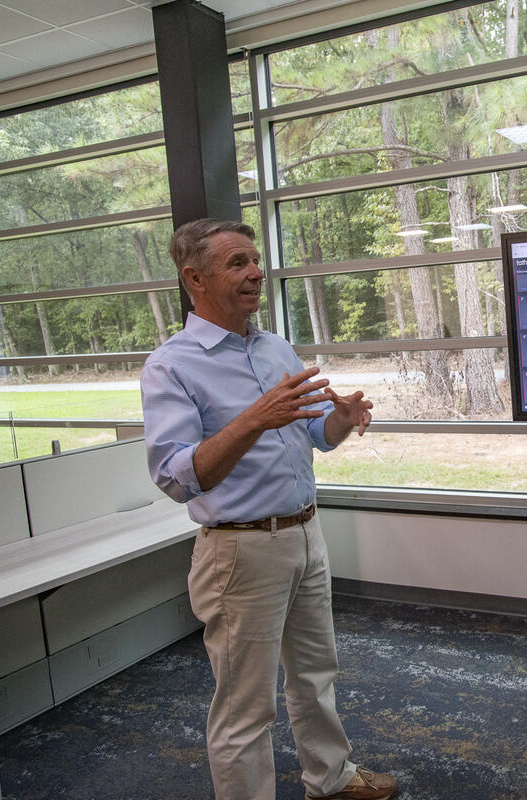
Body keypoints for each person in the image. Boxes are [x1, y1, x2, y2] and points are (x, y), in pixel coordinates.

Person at [140, 218, 397, 800]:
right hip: (240, 550)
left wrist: (340, 420)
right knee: (245, 707)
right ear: (195, 278)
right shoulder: (171, 365)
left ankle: (330, 779)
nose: (256, 272)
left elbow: (313, 433)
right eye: (237, 263)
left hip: (305, 535)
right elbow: (177, 476)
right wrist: (254, 419)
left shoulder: (275, 347)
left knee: (315, 674)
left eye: (255, 260)